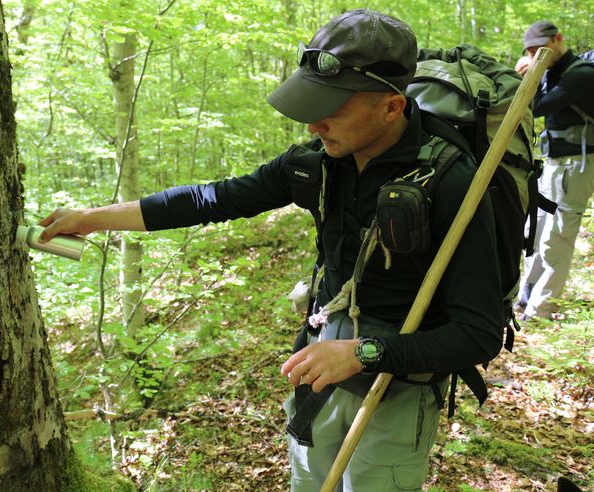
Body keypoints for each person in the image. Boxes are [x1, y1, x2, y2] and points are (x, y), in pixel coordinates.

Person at [38, 9, 503, 491]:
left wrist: (364, 353)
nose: (312, 127)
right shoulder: (319, 164)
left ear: (390, 107)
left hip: (396, 384)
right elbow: (210, 199)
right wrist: (93, 219)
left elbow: (478, 333)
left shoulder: (451, 184)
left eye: (332, 109)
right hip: (318, 366)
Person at [515, 21, 594, 321]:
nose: (537, 55)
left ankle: (541, 309)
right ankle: (526, 294)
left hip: (577, 166)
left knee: (557, 238)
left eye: (541, 48)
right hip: (555, 164)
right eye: (531, 51)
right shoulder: (553, 72)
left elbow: (536, 107)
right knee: (534, 231)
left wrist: (527, 77)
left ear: (558, 39)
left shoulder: (581, 75)